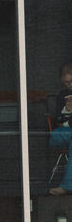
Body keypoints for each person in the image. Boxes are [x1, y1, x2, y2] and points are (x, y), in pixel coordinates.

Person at [50, 62, 72, 195]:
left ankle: (68, 185)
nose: (70, 85)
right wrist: (66, 110)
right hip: (60, 135)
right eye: (66, 82)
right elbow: (57, 120)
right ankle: (68, 185)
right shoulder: (62, 95)